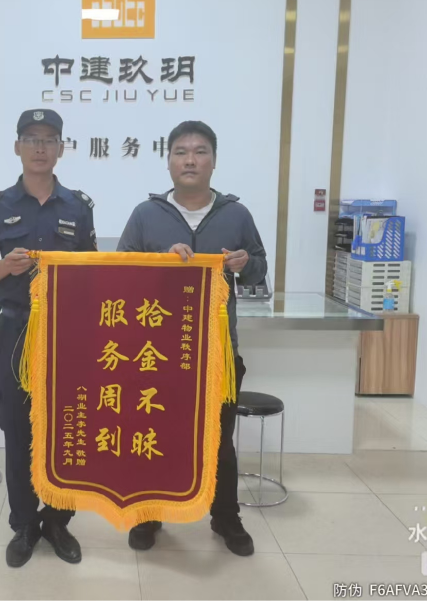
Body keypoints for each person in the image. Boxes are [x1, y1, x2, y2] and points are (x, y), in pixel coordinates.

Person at [117, 120, 267, 557]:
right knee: (153, 436)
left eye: (200, 151)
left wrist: (245, 263)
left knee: (219, 441)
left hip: (218, 352)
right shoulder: (146, 215)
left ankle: (226, 517)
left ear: (213, 161)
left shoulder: (236, 214)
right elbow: (121, 272)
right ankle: (149, 514)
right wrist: (158, 262)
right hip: (155, 353)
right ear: (168, 161)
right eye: (180, 152)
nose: (190, 160)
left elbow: (259, 270)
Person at [0, 109, 97, 568]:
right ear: (17, 146)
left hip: (66, 330)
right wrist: (6, 266)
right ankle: (24, 524)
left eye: (48, 139)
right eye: (31, 138)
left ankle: (58, 521)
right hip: (16, 328)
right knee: (18, 426)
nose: (40, 147)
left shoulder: (78, 207)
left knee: (68, 424)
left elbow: (92, 270)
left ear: (61, 148)